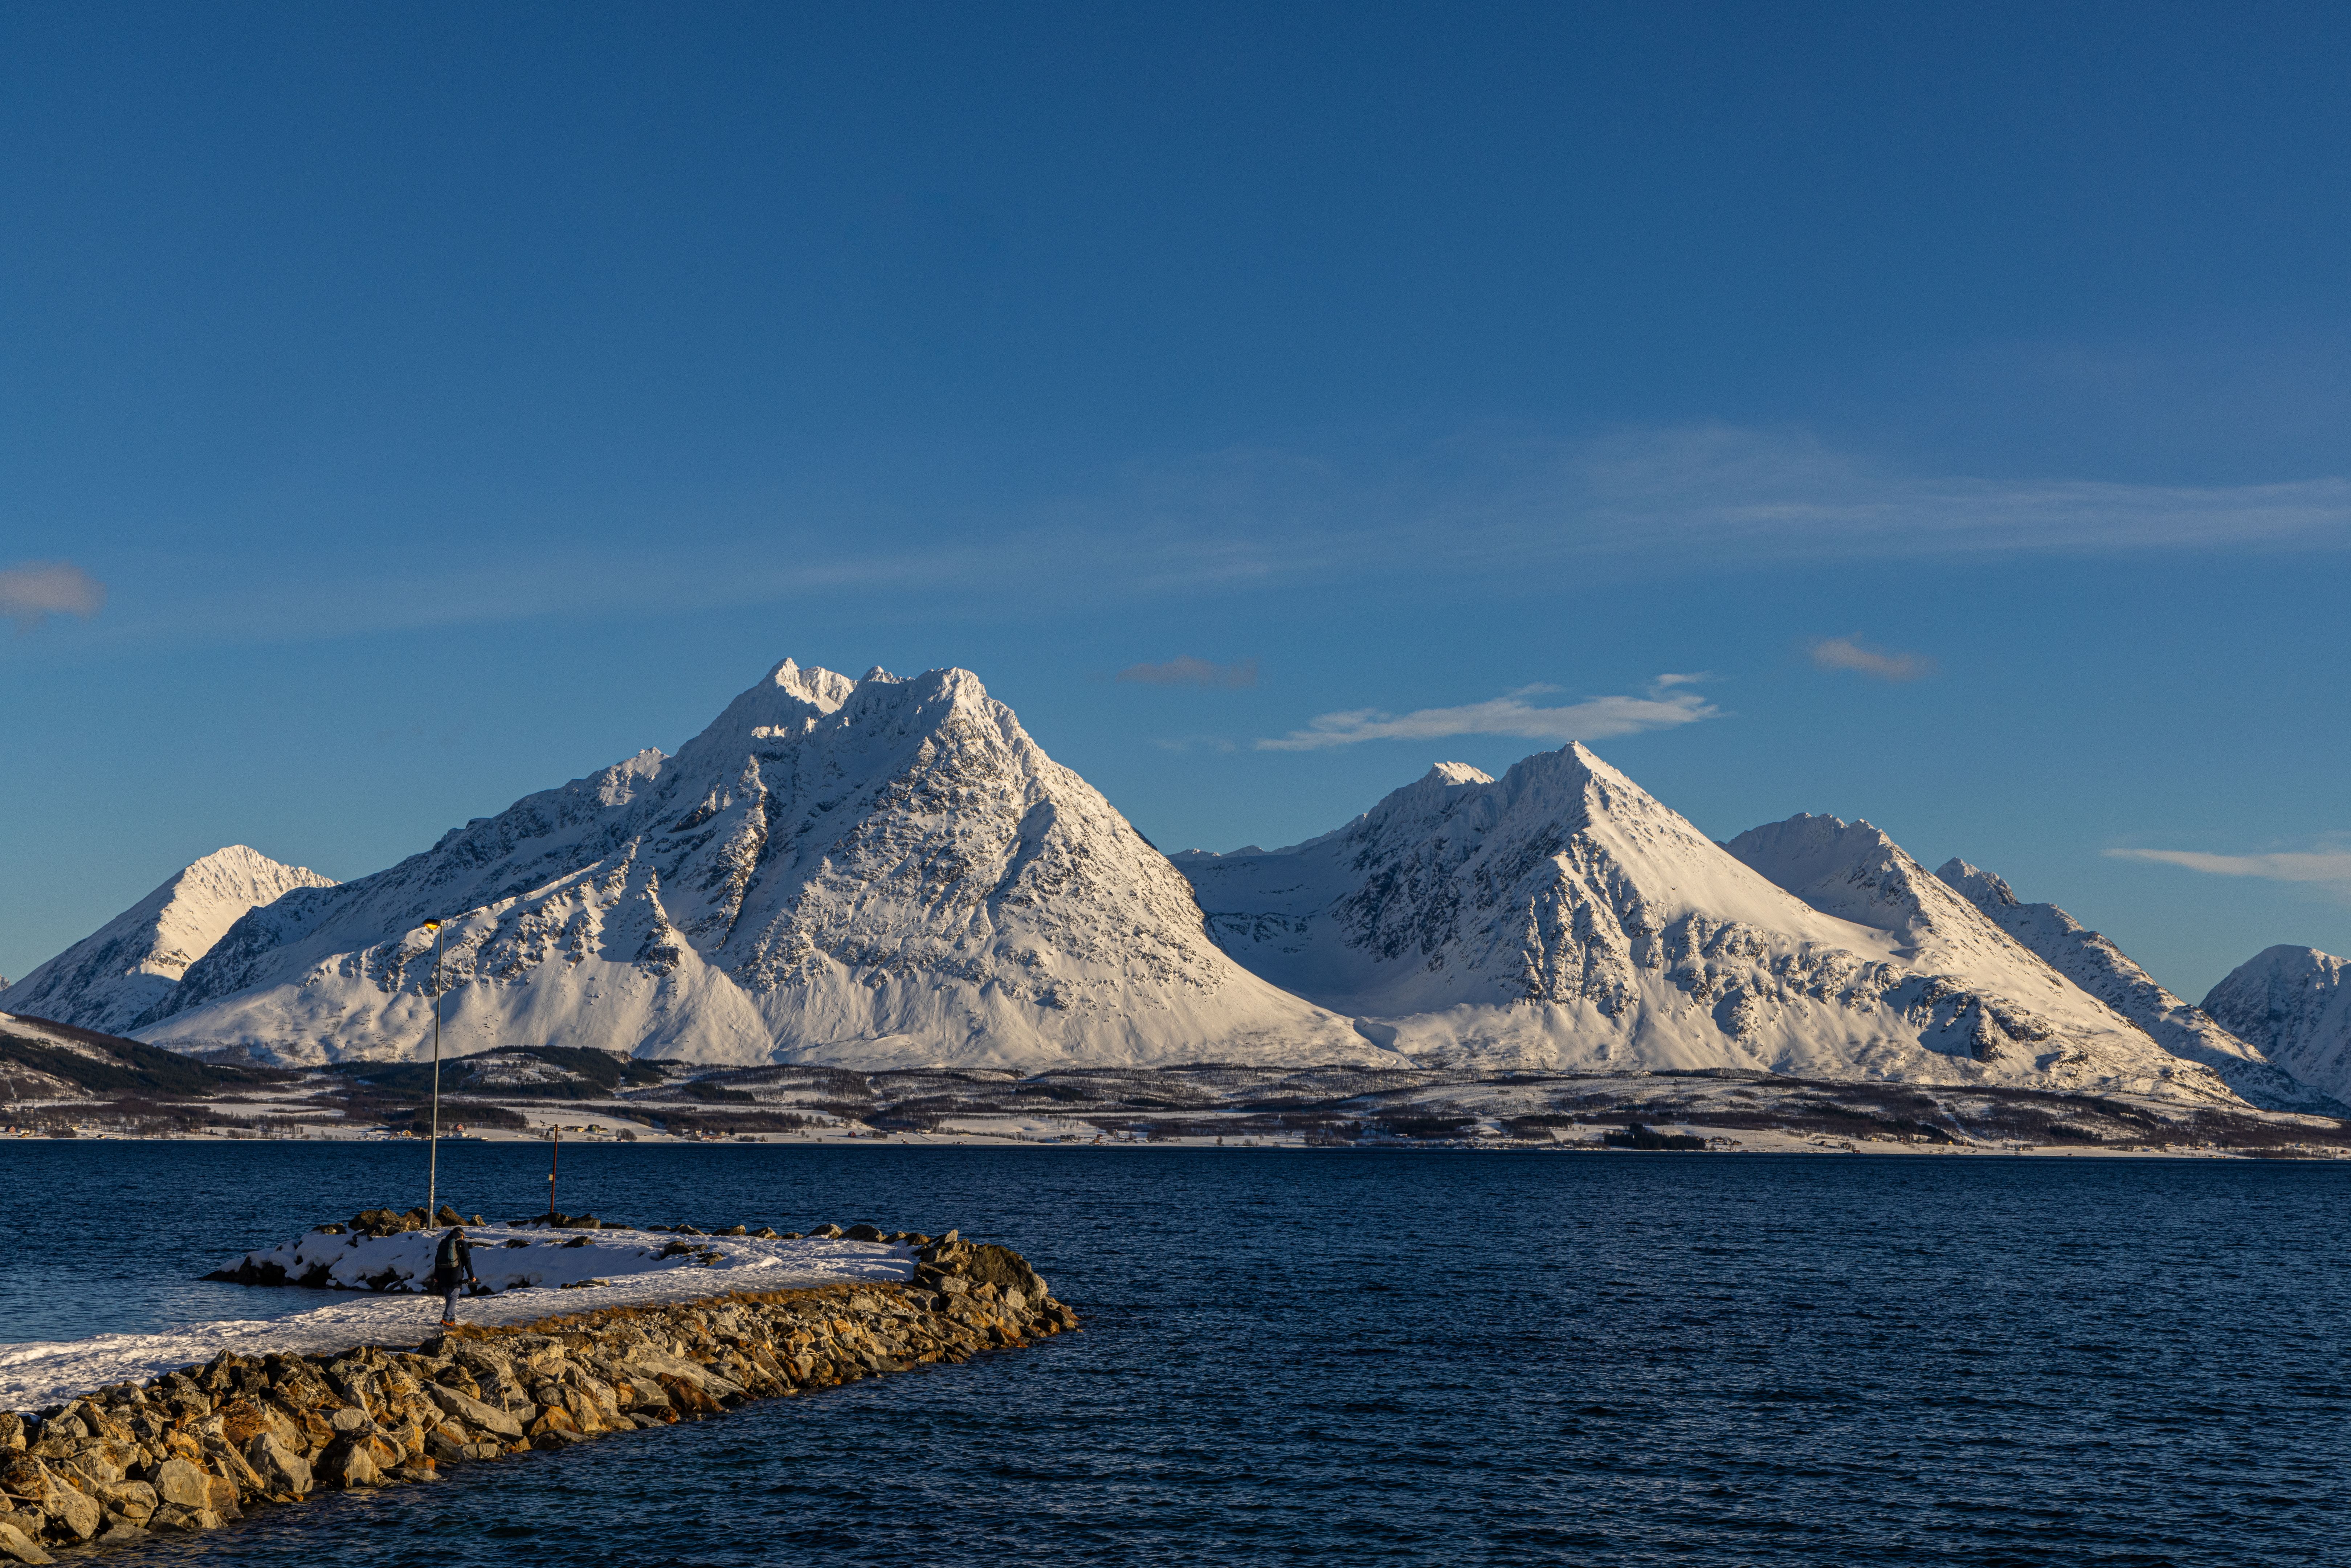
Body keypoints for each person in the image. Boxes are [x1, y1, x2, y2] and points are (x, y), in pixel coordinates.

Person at [430, 1225, 479, 1328]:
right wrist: (472, 1276)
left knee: (449, 1298)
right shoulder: (461, 1243)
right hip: (455, 1274)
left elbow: (437, 1261)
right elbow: (467, 1261)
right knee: (453, 1297)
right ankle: (446, 1318)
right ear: (462, 1236)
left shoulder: (444, 1243)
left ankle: (452, 1319)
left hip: (443, 1274)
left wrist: (437, 1276)